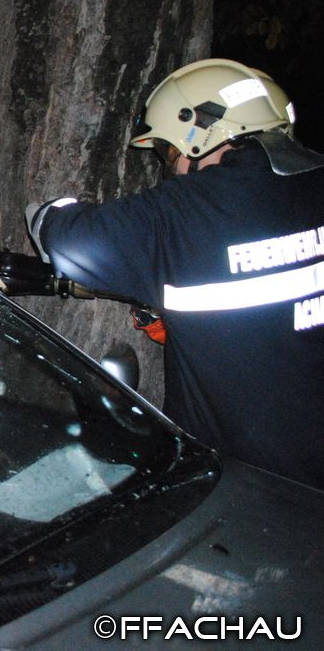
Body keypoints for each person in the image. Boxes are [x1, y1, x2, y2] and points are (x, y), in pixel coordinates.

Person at [25, 58, 324, 490]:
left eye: (169, 150)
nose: (173, 163)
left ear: (198, 132)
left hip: (252, 485)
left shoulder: (187, 209)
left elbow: (67, 241)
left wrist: (51, 210)